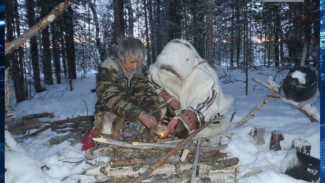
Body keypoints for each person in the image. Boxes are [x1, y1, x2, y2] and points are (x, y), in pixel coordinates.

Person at [149, 39, 233, 138]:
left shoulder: (203, 76)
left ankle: (224, 124)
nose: (175, 77)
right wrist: (168, 97)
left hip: (204, 112)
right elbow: (152, 80)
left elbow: (207, 103)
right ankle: (167, 121)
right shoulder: (162, 68)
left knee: (190, 132)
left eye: (176, 72)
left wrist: (185, 118)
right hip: (178, 109)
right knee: (152, 112)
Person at [92, 37, 164, 139]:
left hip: (133, 107)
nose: (135, 66)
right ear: (121, 56)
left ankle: (140, 128)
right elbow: (110, 99)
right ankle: (120, 126)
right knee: (106, 131)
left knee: (161, 104)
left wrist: (152, 113)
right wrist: (140, 115)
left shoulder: (140, 68)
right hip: (111, 109)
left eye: (138, 61)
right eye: (131, 61)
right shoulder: (108, 68)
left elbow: (144, 92)